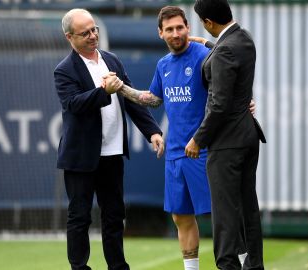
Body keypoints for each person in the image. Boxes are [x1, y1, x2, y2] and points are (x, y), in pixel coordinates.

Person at [104, 6, 251, 270]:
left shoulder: (205, 55)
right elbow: (153, 99)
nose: (176, 33)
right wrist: (122, 89)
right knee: (181, 217)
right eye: (169, 29)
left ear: (188, 28)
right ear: (160, 33)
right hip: (175, 153)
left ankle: (245, 264)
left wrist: (244, 104)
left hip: (205, 150)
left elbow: (228, 87)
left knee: (223, 216)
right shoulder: (163, 65)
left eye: (180, 27)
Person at [53, 8, 164, 270]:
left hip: (112, 153)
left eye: (95, 30)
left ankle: (117, 266)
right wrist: (103, 91)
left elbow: (133, 100)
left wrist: (153, 131)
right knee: (79, 217)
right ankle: (79, 267)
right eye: (85, 33)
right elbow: (74, 104)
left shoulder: (112, 60)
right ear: (70, 38)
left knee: (114, 215)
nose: (93, 36)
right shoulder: (64, 70)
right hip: (81, 157)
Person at [185, 0, 267, 269]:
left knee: (224, 213)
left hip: (227, 142)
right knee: (247, 208)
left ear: (209, 22)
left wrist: (198, 139)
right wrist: (208, 44)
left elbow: (219, 105)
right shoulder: (244, 38)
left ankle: (227, 266)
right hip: (248, 136)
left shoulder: (223, 52)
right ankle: (254, 265)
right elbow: (228, 50)